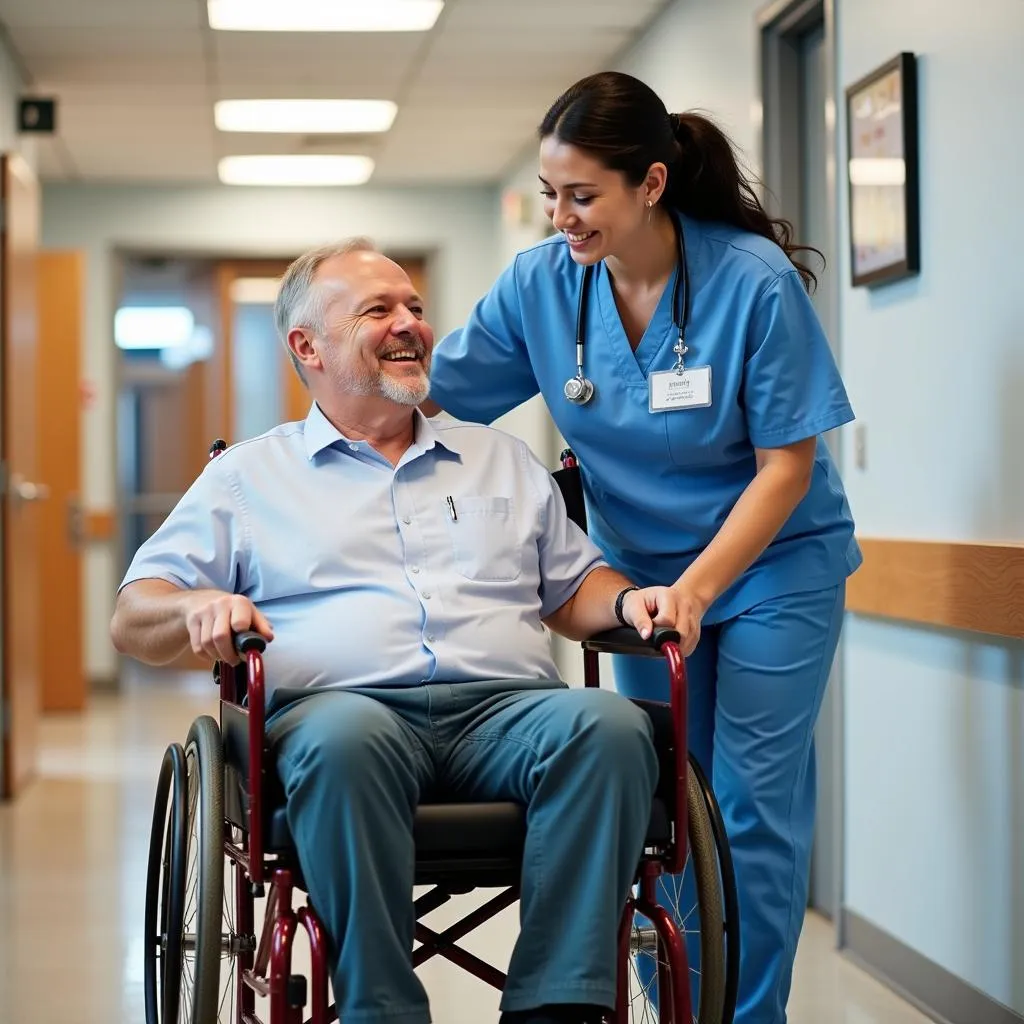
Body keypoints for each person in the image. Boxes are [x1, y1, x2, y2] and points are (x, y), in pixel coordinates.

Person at [110, 239, 688, 1024]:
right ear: (305, 348)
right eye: (378, 309)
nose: (409, 322)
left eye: (414, 306)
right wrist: (192, 609)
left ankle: (555, 1006)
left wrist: (627, 604)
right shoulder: (248, 477)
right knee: (345, 741)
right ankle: (381, 1009)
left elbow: (573, 586)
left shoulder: (502, 459)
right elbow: (133, 614)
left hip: (506, 712)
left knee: (612, 728)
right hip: (342, 712)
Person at [423, 72, 862, 1024]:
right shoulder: (542, 285)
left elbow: (786, 469)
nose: (562, 217)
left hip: (774, 567)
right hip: (643, 583)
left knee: (748, 813)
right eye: (551, 194)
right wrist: (304, 430)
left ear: (651, 184)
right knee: (667, 807)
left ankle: (746, 1017)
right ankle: (677, 1008)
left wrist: (701, 587)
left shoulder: (750, 281)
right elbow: (436, 397)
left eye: (583, 196)